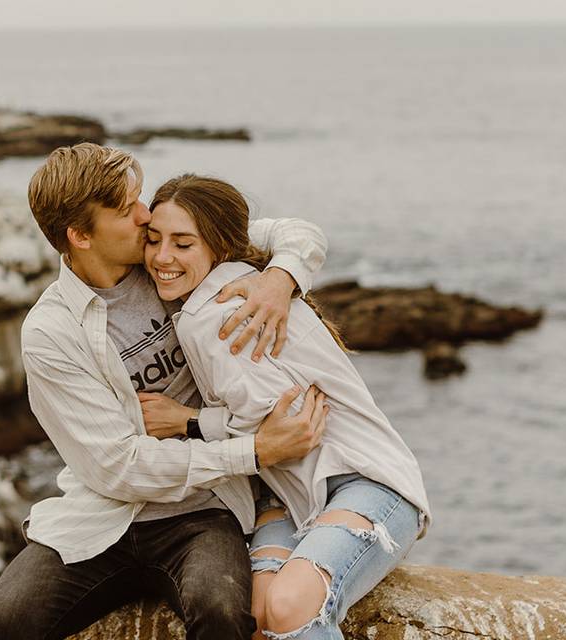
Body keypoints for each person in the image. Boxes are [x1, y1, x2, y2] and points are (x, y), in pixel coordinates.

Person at [0, 143, 334, 640]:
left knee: (224, 611)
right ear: (80, 236)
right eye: (127, 210)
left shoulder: (168, 256)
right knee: (5, 624)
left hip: (202, 509)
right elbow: (118, 466)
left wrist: (279, 280)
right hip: (101, 518)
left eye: (139, 198)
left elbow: (298, 233)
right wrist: (253, 451)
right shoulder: (50, 332)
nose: (146, 216)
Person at [141, 174, 432, 640]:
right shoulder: (225, 281)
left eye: (182, 244)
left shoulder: (210, 313)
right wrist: (282, 274)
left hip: (369, 480)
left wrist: (188, 421)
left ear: (218, 245)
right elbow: (296, 233)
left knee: (291, 605)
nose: (162, 257)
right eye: (152, 240)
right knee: (258, 614)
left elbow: (273, 427)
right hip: (291, 497)